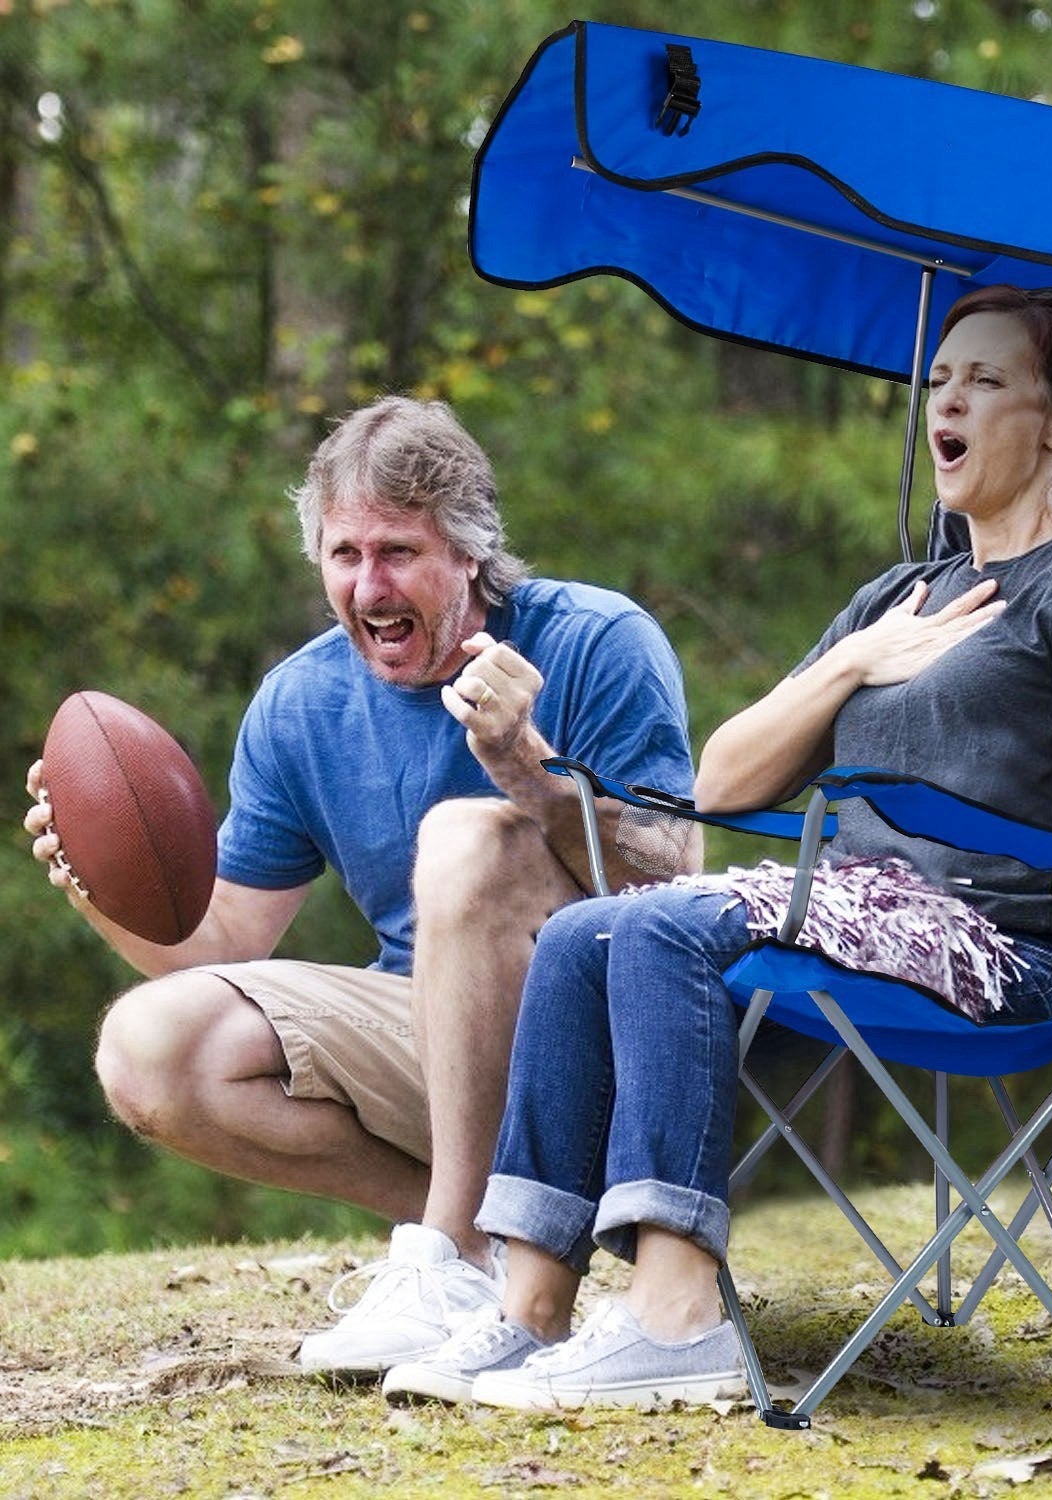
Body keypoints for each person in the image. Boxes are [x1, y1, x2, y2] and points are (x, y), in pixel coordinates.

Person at [377, 284, 1052, 1410]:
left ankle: (676, 1320)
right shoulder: (899, 594)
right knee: (578, 932)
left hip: (1007, 941)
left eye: (987, 380)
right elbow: (722, 782)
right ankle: (527, 1311)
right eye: (939, 380)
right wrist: (856, 661)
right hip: (845, 902)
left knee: (664, 924)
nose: (946, 402)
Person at [22, 396, 698, 1376]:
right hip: (432, 1041)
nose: (368, 583)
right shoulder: (300, 703)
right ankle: (474, 1244)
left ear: (469, 554)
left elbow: (673, 883)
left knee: (464, 837)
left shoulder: (597, 643)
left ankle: (459, 1245)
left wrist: (531, 772)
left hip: (605, 1049)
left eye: (398, 552)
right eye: (346, 555)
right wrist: (96, 881)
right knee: (150, 1046)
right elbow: (221, 943)